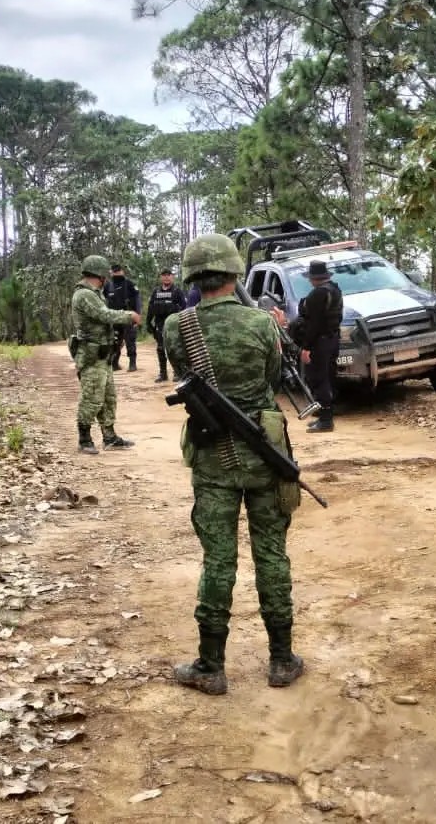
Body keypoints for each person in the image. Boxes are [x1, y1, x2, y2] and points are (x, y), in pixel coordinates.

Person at [163, 234, 302, 696]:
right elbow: (270, 380)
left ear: (192, 277)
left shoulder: (175, 327)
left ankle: (211, 665)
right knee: (271, 556)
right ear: (233, 273)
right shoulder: (262, 324)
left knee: (218, 560)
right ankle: (282, 660)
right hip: (265, 452)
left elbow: (189, 375)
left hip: (214, 455)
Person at [72, 255, 142, 454]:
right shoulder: (84, 295)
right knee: (92, 397)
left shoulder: (95, 293)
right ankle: (84, 438)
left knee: (109, 397)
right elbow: (104, 314)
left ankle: (109, 437)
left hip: (103, 355)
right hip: (91, 355)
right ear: (100, 275)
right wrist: (129, 315)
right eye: (105, 275)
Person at [291, 259, 342, 433]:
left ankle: (326, 420)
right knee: (328, 376)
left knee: (318, 379)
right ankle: (325, 415)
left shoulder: (317, 294)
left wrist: (306, 347)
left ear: (313, 278)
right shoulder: (335, 290)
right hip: (332, 338)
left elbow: (314, 324)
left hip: (319, 341)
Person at [145, 267, 188, 382]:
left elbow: (184, 308)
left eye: (169, 275)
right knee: (160, 349)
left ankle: (177, 372)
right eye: (164, 275)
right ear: (161, 277)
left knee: (175, 349)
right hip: (160, 324)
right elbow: (151, 308)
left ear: (172, 277)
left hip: (174, 326)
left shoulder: (177, 291)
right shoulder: (156, 292)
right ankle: (163, 373)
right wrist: (148, 323)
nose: (166, 277)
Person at [103, 262, 141, 372]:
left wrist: (137, 314)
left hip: (128, 317)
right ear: (111, 272)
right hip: (114, 318)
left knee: (130, 341)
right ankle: (114, 363)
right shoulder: (108, 286)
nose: (116, 273)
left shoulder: (129, 284)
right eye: (114, 271)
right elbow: (102, 300)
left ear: (122, 271)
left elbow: (137, 299)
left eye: (118, 271)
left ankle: (132, 364)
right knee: (115, 342)